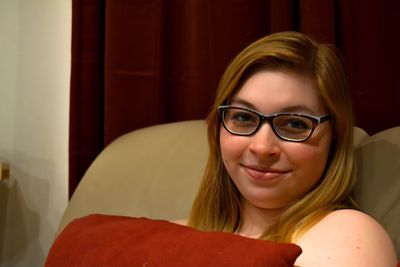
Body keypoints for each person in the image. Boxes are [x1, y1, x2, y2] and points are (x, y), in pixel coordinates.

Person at [184, 31, 398, 266]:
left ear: (334, 138)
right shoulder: (171, 234)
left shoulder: (350, 235)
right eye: (244, 118)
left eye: (295, 123)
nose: (262, 147)